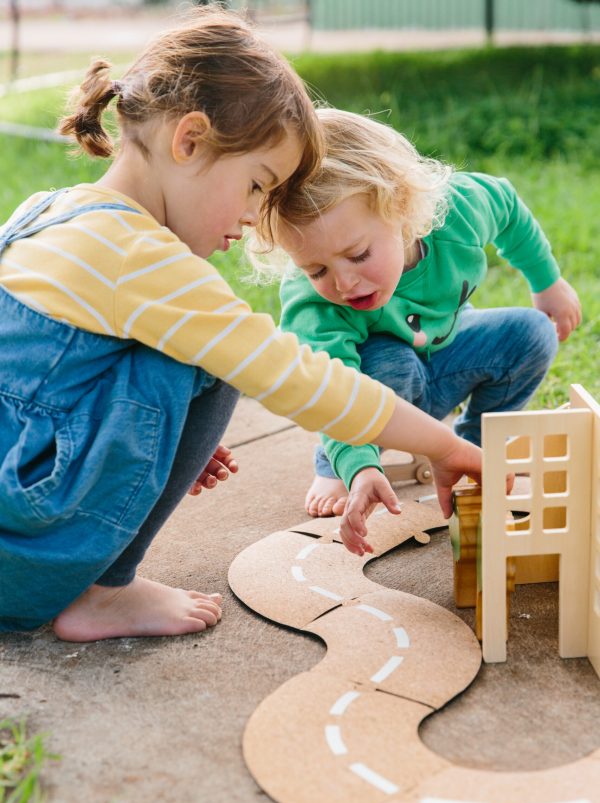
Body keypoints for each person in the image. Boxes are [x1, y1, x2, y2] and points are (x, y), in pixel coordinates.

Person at [0, 10, 480, 642]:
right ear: (190, 141)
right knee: (215, 356)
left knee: (196, 357)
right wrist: (443, 445)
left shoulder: (51, 211)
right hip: (23, 554)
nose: (256, 217)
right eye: (258, 185)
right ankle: (101, 593)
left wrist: (152, 439)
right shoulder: (141, 258)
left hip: (16, 505)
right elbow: (297, 377)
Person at [251, 108, 581, 522]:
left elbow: (507, 207)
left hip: (448, 357)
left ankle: (475, 446)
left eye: (358, 255)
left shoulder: (458, 212)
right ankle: (335, 462)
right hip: (380, 389)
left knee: (531, 333)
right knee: (391, 361)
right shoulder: (315, 305)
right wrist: (359, 468)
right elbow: (330, 391)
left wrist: (547, 283)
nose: (344, 283)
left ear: (401, 207)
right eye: (316, 270)